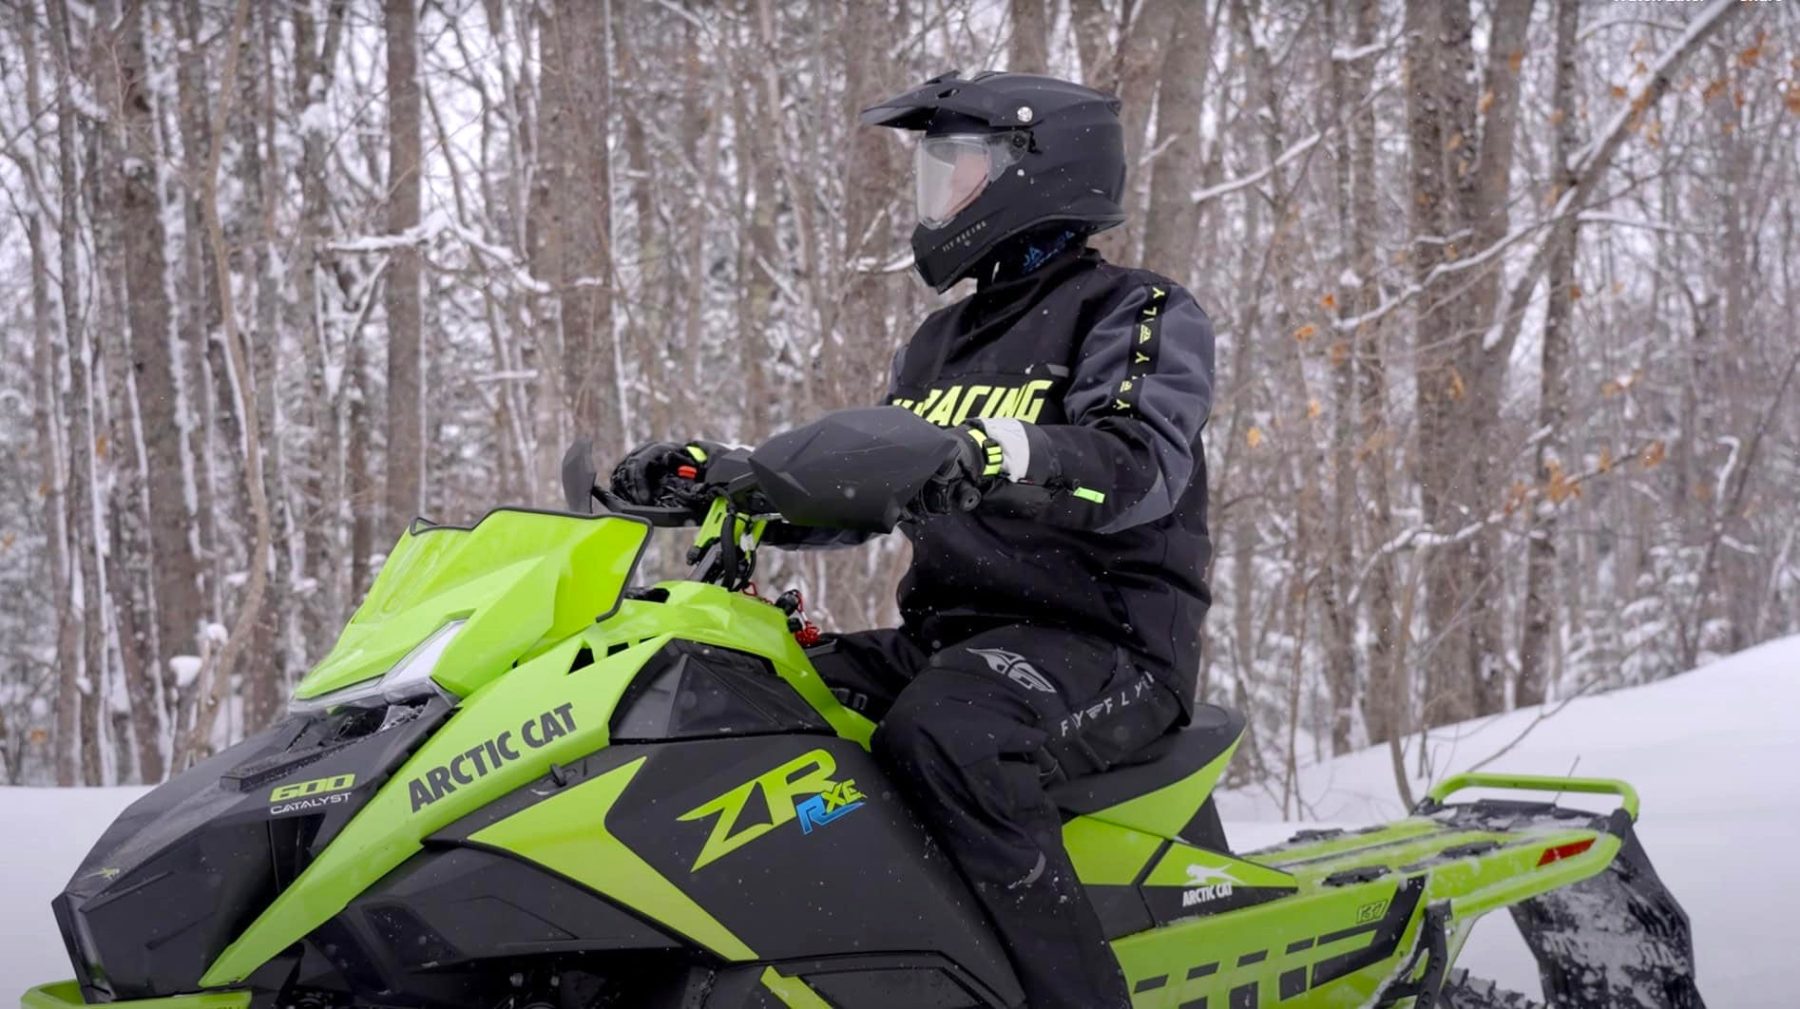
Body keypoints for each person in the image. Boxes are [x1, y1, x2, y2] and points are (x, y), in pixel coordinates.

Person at [611, 70, 1215, 1009]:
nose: (937, 197)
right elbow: (880, 488)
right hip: (952, 642)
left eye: (956, 169)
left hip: (1102, 644)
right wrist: (737, 481)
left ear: (1036, 170)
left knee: (947, 738)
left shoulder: (1134, 310)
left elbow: (1139, 462)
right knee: (738, 696)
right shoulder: (937, 346)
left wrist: (1002, 449)